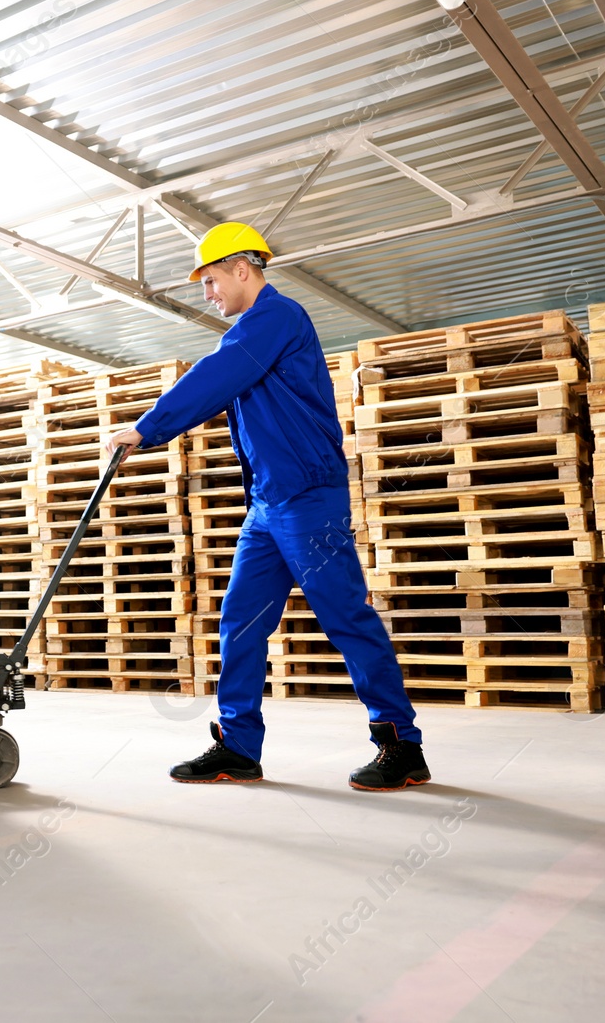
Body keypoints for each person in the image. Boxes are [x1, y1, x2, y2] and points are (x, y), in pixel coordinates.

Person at [104, 222, 429, 791]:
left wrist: (146, 428)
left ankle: (400, 745)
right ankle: (238, 748)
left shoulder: (276, 319)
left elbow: (217, 375)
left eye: (209, 280)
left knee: (346, 617)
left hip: (308, 497)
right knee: (241, 622)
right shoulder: (255, 332)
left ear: (242, 269)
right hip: (268, 504)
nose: (208, 294)